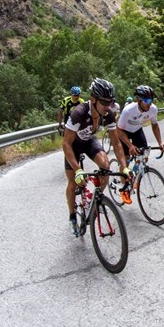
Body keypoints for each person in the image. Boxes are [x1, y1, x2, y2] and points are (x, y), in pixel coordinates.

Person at [62, 78, 129, 236]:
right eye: (104, 102)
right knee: (73, 182)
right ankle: (72, 216)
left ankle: (95, 200)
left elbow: (116, 143)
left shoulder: (109, 115)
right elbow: (65, 144)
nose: (108, 106)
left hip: (89, 141)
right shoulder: (79, 113)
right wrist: (78, 170)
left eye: (111, 102)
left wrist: (124, 166)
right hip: (73, 145)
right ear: (93, 99)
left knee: (105, 166)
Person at [116, 85, 164, 204]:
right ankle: (124, 188)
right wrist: (130, 145)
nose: (149, 103)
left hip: (137, 131)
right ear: (138, 100)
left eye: (151, 100)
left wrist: (160, 142)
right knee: (126, 160)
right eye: (147, 101)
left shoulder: (153, 109)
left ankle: (135, 176)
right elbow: (119, 130)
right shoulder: (128, 110)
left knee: (144, 156)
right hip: (124, 132)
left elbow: (154, 125)